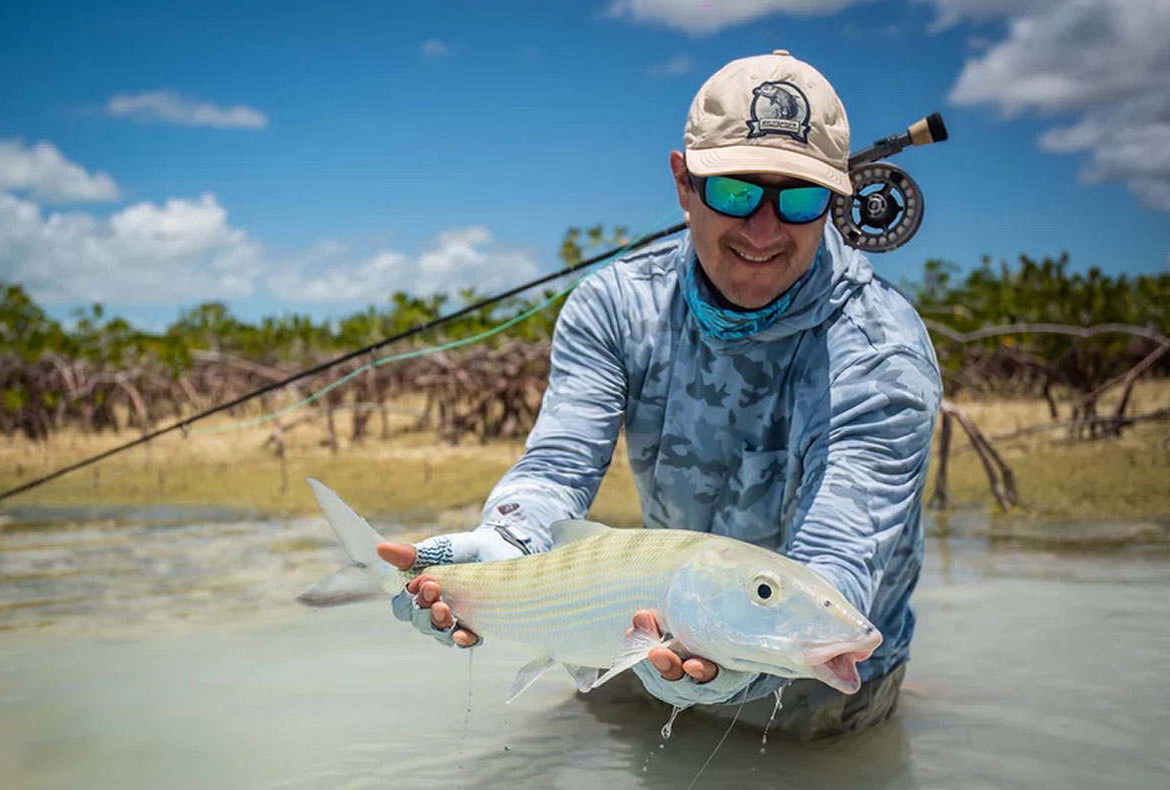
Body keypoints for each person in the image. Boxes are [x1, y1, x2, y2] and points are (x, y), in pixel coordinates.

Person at [377, 49, 942, 739]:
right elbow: (558, 467)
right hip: (636, 641)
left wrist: (763, 658)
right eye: (735, 191)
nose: (763, 230)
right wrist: (502, 547)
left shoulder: (882, 349)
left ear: (836, 200)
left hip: (821, 687)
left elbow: (838, 555)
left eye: (798, 198)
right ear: (684, 181)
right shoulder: (612, 307)